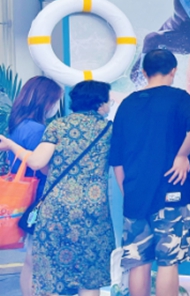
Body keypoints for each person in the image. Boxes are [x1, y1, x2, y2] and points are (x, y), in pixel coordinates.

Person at [0, 81, 115, 296]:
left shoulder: (57, 127)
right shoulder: (109, 129)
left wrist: (11, 145)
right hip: (93, 211)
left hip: (56, 210)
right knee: (89, 277)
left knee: (52, 275)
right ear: (100, 104)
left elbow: (37, 162)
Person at [111, 49, 190, 296]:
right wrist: (181, 155)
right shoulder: (179, 98)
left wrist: (127, 191)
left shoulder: (127, 104)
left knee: (137, 260)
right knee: (168, 260)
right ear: (174, 70)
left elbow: (117, 159)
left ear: (144, 72)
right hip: (171, 189)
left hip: (135, 193)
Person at [4, 76, 63, 296]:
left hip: (23, 198)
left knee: (31, 259)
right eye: (55, 100)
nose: (56, 106)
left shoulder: (17, 126)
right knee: (40, 260)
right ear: (45, 101)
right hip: (39, 198)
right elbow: (45, 167)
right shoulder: (38, 131)